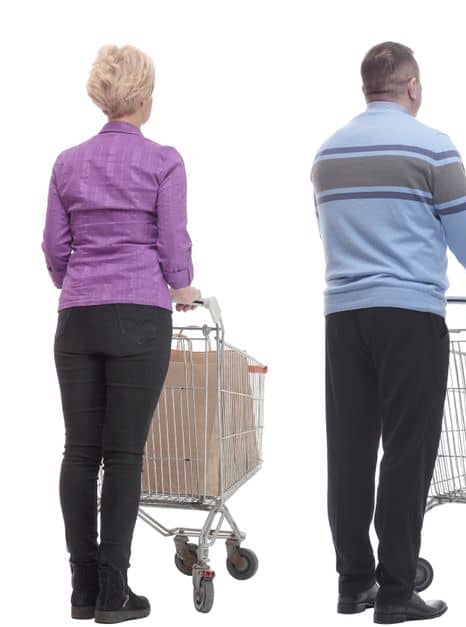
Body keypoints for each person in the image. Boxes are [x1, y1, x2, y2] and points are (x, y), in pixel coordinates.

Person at [311, 41, 466, 625]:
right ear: (412, 87)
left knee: (348, 449)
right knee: (406, 449)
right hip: (409, 314)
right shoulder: (431, 146)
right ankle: (397, 591)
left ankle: (353, 584)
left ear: (366, 88)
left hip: (343, 314)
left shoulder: (327, 153)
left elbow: (327, 231)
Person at [44, 44, 200, 625]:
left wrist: (79, 282)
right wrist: (181, 288)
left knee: (79, 452)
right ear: (142, 98)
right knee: (124, 456)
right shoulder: (164, 161)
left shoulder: (67, 162)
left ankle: (82, 589)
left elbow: (55, 249)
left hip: (77, 315)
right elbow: (172, 242)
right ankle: (115, 592)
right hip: (140, 314)